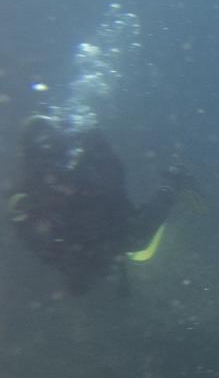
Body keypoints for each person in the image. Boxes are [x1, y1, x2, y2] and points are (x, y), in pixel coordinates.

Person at [8, 115, 191, 295]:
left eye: (50, 142)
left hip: (107, 217)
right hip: (76, 235)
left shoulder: (81, 154)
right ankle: (96, 262)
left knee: (137, 238)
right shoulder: (32, 179)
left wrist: (80, 187)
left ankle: (173, 185)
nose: (48, 153)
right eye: (41, 147)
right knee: (80, 280)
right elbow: (28, 224)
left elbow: (114, 176)